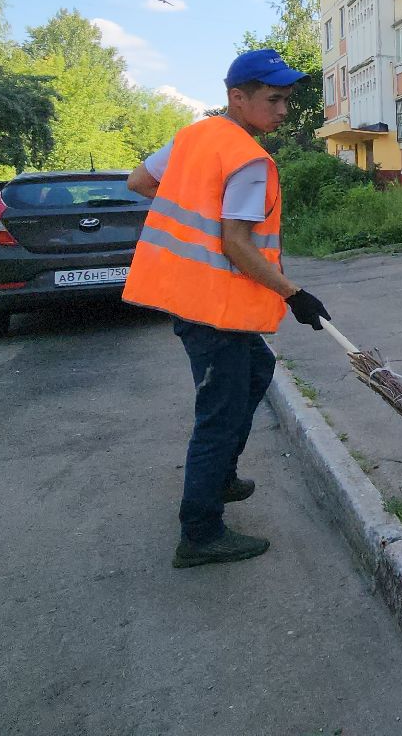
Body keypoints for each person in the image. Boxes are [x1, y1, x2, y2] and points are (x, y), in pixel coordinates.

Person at [123, 49, 334, 569]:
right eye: (274, 99)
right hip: (214, 304)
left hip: (189, 296)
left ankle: (220, 477)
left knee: (257, 368)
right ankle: (200, 532)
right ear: (237, 97)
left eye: (288, 99)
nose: (285, 110)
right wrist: (294, 293)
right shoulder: (247, 160)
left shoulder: (196, 137)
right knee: (218, 414)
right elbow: (237, 244)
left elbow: (139, 181)